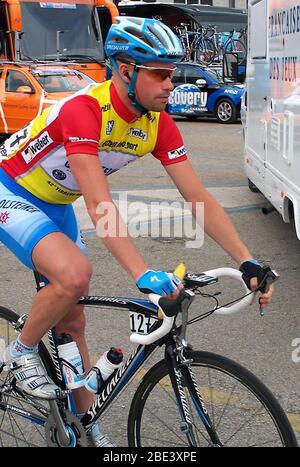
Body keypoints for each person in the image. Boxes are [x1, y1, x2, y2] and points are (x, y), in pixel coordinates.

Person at [0, 17, 273, 446]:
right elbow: (99, 204)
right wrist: (141, 273)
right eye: (160, 74)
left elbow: (197, 197)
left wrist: (246, 258)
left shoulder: (158, 122)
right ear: (125, 70)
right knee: (73, 274)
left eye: (172, 73)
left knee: (73, 321)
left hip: (54, 203)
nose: (171, 84)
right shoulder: (84, 110)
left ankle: (84, 428)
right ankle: (19, 354)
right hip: (11, 189)